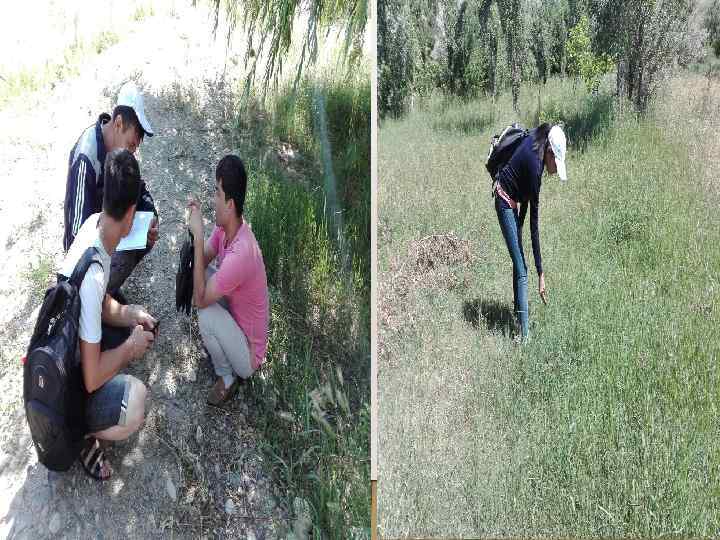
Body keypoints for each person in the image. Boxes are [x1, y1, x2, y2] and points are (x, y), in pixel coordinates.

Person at [59, 149, 157, 480]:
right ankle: (81, 433)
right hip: (69, 390)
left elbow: (101, 305)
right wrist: (130, 348)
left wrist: (130, 314)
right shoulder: (94, 277)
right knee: (136, 402)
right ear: (131, 214)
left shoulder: (93, 225)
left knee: (123, 323)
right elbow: (91, 377)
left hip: (68, 351)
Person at [63, 81, 159, 301]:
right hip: (86, 253)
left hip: (107, 232)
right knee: (122, 253)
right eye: (131, 144)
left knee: (143, 238)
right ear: (118, 123)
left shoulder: (119, 152)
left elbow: (138, 187)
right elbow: (75, 237)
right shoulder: (86, 158)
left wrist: (151, 216)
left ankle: (105, 292)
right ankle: (95, 299)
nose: (132, 153)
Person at [187, 155, 269, 407]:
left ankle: (228, 377)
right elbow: (202, 260)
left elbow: (200, 300)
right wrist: (197, 228)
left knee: (206, 314)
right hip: (236, 317)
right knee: (200, 276)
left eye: (217, 192)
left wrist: (198, 237)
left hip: (248, 354)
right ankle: (223, 346)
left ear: (230, 204)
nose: (213, 199)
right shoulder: (226, 228)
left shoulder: (242, 252)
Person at [493, 123, 567, 339]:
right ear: (550, 153)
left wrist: (519, 225)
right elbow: (535, 226)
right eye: (557, 163)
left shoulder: (539, 143)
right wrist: (540, 273)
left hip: (513, 201)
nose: (556, 170)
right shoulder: (536, 168)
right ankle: (524, 338)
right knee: (522, 269)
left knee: (519, 263)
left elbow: (524, 196)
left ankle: (519, 315)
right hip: (504, 201)